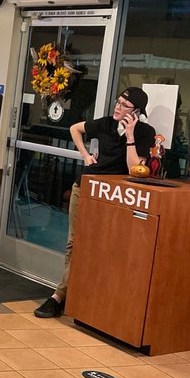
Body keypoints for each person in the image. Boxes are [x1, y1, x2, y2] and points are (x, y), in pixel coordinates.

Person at [34, 86, 155, 318]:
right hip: (85, 186)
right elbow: (75, 128)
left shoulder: (145, 132)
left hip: (112, 196)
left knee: (101, 245)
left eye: (125, 106)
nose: (118, 107)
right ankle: (58, 296)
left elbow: (134, 169)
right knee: (74, 241)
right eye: (118, 102)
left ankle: (81, 297)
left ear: (136, 112)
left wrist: (130, 136)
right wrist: (85, 155)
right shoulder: (106, 124)